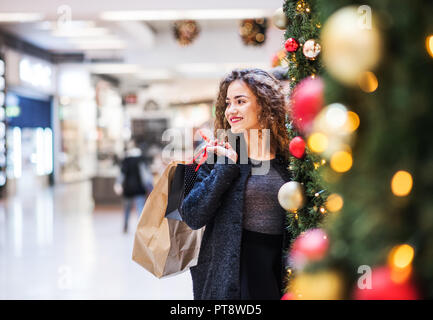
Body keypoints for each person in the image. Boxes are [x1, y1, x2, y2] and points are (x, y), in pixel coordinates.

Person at [180, 68, 294, 300]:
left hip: (278, 270)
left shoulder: (287, 156)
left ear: (264, 103)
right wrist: (226, 166)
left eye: (240, 101)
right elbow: (192, 214)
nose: (231, 110)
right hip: (232, 271)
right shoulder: (216, 153)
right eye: (228, 103)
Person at [114, 140, 153, 233]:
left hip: (128, 188)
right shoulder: (141, 159)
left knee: (127, 208)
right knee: (140, 207)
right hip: (139, 188)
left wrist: (118, 184)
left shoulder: (126, 160)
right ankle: (140, 227)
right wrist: (150, 185)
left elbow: (121, 174)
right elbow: (145, 174)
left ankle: (125, 226)